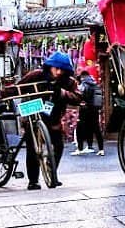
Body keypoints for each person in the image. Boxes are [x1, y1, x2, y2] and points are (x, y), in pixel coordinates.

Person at [11, 51, 81, 189]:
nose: (59, 72)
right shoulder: (36, 75)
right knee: (32, 148)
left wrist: (63, 93)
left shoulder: (69, 82)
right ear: (50, 66)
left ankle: (51, 171)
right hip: (33, 115)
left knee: (58, 146)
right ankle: (33, 180)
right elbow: (17, 88)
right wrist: (2, 95)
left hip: (53, 118)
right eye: (56, 68)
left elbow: (78, 97)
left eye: (62, 69)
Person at [72, 67, 104, 156]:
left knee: (79, 128)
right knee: (95, 128)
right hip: (95, 109)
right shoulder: (95, 84)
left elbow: (80, 94)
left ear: (82, 76)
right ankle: (100, 149)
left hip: (85, 109)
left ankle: (80, 148)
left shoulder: (84, 84)